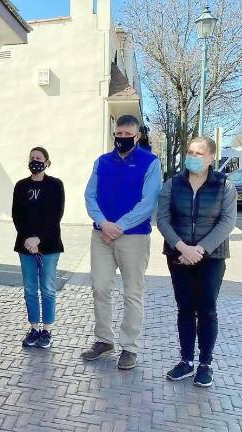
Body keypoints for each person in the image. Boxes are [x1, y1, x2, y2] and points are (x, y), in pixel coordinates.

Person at [82, 115, 162, 369]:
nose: (123, 139)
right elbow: (90, 195)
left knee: (132, 293)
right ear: (114, 133)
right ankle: (104, 339)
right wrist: (102, 223)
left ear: (138, 136)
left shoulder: (151, 163)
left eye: (128, 136)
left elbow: (149, 202)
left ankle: (129, 347)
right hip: (101, 235)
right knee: (101, 288)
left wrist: (119, 227)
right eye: (119, 135)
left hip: (134, 238)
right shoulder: (102, 162)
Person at [157, 136, 237, 387]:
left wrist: (200, 250)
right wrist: (181, 247)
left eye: (199, 153)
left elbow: (227, 222)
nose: (193, 157)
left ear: (212, 157)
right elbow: (162, 219)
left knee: (207, 309)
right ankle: (186, 361)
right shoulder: (173, 184)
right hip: (178, 255)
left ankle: (205, 364)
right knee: (184, 308)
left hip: (211, 257)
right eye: (190, 152)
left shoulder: (225, 186)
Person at [12, 147, 65, 349]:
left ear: (47, 162)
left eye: (39, 158)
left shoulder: (55, 185)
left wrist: (38, 239)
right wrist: (28, 238)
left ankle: (47, 330)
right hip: (25, 246)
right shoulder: (21, 186)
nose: (35, 161)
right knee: (30, 290)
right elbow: (17, 215)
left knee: (48, 289)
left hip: (49, 246)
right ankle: (34, 328)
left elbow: (56, 215)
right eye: (32, 158)